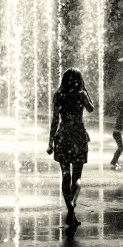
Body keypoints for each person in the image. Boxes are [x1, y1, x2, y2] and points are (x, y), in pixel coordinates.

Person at [47, 68, 94, 226]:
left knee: (65, 176)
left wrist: (50, 142)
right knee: (77, 177)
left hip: (63, 137)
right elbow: (91, 108)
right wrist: (85, 90)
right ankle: (73, 202)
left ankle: (70, 212)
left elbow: (54, 120)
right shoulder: (81, 94)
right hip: (78, 136)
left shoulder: (58, 95)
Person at [110, 101, 123, 169]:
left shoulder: (122, 114)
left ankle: (115, 161)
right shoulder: (121, 115)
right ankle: (114, 161)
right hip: (116, 133)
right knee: (121, 147)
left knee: (121, 147)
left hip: (117, 133)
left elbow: (119, 125)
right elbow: (118, 125)